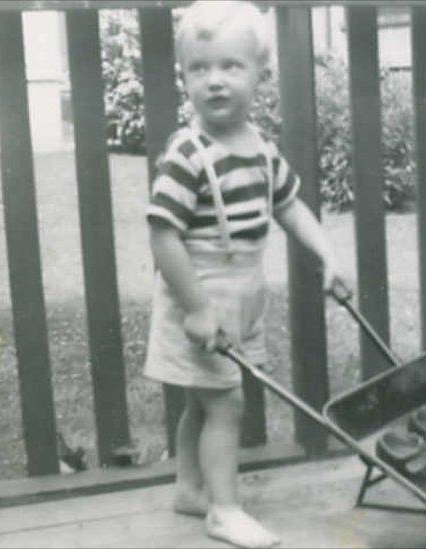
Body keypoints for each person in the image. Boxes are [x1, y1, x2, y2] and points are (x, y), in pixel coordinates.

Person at [143, 2, 340, 546]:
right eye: (199, 69)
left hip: (241, 298)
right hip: (198, 297)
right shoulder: (187, 154)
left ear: (261, 73)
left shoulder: (259, 148)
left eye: (230, 67)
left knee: (200, 400)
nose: (215, 82)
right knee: (224, 402)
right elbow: (163, 235)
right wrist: (199, 308)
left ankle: (189, 487)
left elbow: (291, 207)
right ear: (184, 77)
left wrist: (327, 253)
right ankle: (223, 509)